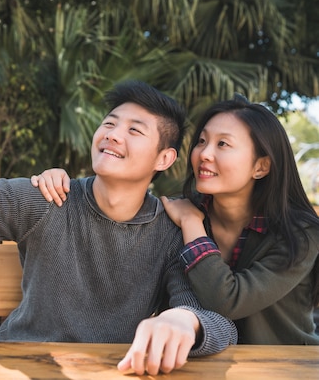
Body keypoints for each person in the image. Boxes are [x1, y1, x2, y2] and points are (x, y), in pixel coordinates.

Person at [0, 8, 237, 376]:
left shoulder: (168, 233)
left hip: (109, 371)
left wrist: (184, 321)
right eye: (110, 123)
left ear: (164, 158)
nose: (113, 135)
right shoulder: (49, 198)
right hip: (20, 362)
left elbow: (216, 321)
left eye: (135, 130)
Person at [34, 95, 319, 345]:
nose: (204, 154)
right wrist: (60, 183)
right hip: (202, 365)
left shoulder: (300, 235)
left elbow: (228, 301)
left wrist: (193, 226)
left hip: (285, 366)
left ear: (261, 166)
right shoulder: (179, 212)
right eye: (202, 141)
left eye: (223, 144)